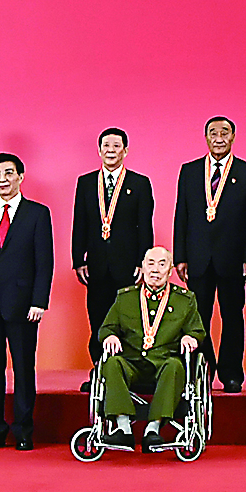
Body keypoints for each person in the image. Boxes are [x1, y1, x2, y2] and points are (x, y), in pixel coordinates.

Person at [0, 153, 54, 451]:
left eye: (8, 173)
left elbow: (44, 262)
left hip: (24, 306)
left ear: (20, 176)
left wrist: (39, 301)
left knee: (24, 369)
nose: (2, 179)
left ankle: (24, 430)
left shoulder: (37, 213)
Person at [174, 116, 246, 392]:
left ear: (233, 137)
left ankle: (231, 373)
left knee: (232, 316)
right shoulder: (190, 171)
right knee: (197, 317)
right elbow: (181, 215)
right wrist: (180, 256)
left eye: (225, 132)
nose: (219, 137)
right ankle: (203, 370)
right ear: (206, 137)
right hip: (197, 258)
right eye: (213, 132)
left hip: (233, 259)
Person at [94, 246, 207, 452]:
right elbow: (106, 328)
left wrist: (191, 337)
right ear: (143, 267)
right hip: (131, 362)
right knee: (111, 363)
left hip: (165, 363)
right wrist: (110, 336)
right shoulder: (125, 298)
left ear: (170, 270)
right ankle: (123, 429)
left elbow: (197, 330)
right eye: (151, 263)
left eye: (162, 265)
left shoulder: (184, 300)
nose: (155, 269)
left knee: (175, 366)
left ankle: (153, 429)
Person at [74, 128, 155, 388]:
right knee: (97, 319)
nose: (111, 150)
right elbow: (80, 223)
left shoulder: (139, 183)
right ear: (99, 150)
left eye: (116, 146)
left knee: (128, 320)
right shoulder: (86, 183)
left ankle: (126, 372)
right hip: (96, 265)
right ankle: (99, 371)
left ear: (125, 151)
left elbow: (145, 226)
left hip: (127, 266)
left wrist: (143, 261)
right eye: (106, 146)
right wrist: (78, 259)